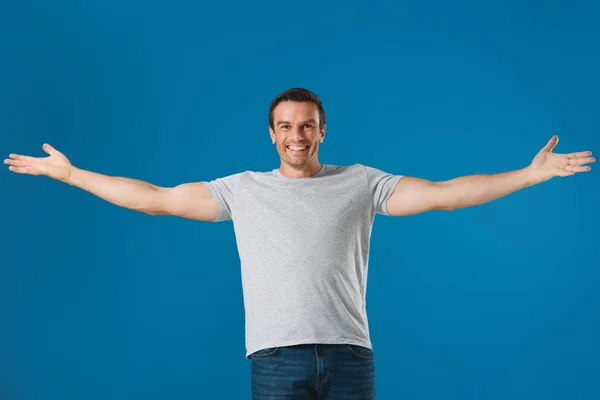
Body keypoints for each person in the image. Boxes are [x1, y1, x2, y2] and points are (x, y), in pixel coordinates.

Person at [4, 88, 594, 399]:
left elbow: (445, 193)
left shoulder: (363, 183)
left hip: (348, 355)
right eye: (286, 125)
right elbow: (155, 197)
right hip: (275, 356)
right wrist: (72, 175)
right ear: (271, 133)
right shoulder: (241, 190)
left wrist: (528, 174)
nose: (297, 135)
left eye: (307, 124)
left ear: (322, 130)